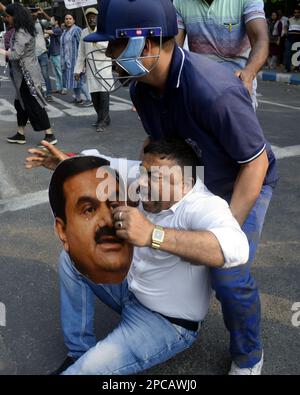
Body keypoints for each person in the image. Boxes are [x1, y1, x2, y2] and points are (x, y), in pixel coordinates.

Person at [84, 0, 278, 375]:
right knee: (162, 240)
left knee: (227, 271)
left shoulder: (214, 91)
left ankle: (249, 355)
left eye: (116, 43)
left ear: (150, 43)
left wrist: (222, 231)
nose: (108, 53)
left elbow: (256, 163)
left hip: (243, 179)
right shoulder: (142, 88)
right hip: (198, 177)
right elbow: (163, 149)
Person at [27, 139, 249, 375]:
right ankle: (79, 352)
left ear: (185, 182)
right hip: (129, 288)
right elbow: (106, 167)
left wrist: (153, 234)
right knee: (70, 260)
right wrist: (66, 163)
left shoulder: (203, 206)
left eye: (152, 176)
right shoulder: (150, 178)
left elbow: (236, 248)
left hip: (165, 321)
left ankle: (83, 365)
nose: (140, 183)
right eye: (142, 173)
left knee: (84, 372)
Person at [173, 0, 269, 110]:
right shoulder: (180, 2)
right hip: (199, 83)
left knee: (236, 124)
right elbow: (174, 49)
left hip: (237, 82)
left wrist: (249, 73)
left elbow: (260, 39)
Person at [0, 3, 57, 145]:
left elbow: (15, 55)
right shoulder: (21, 29)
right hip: (22, 74)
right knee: (20, 104)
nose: (6, 19)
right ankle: (20, 133)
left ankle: (50, 135)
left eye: (8, 16)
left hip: (27, 75)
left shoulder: (22, 31)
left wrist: (1, 51)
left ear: (15, 16)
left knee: (34, 104)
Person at [74, 7, 112, 131]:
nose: (91, 18)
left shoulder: (104, 30)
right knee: (95, 97)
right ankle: (102, 117)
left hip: (104, 67)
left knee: (104, 95)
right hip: (91, 68)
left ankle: (103, 121)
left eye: (94, 16)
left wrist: (97, 42)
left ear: (98, 17)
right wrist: (78, 70)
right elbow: (81, 52)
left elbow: (109, 48)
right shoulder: (84, 32)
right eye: (89, 16)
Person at [60, 13, 91, 105]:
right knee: (73, 81)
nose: (68, 20)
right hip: (68, 60)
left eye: (70, 18)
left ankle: (90, 99)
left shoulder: (77, 30)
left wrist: (83, 61)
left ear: (73, 20)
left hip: (77, 60)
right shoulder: (65, 31)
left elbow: (82, 45)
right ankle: (78, 98)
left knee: (80, 81)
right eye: (66, 19)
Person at [30, 7, 53, 102]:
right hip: (32, 54)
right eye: (32, 12)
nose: (34, 14)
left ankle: (49, 94)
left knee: (45, 74)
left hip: (42, 52)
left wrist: (43, 12)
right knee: (35, 75)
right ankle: (39, 92)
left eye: (35, 11)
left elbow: (51, 22)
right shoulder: (26, 23)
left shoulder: (41, 22)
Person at [44, 15, 66, 95]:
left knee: (60, 72)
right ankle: (58, 88)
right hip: (53, 54)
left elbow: (47, 32)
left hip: (57, 54)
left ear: (56, 21)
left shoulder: (58, 30)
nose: (50, 21)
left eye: (52, 20)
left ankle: (64, 88)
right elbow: (45, 35)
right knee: (55, 73)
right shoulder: (53, 30)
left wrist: (42, 29)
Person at [284, 7, 300, 72]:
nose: (296, 13)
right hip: (290, 38)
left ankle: (297, 68)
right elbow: (285, 27)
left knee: (298, 53)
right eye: (295, 12)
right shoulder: (289, 19)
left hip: (298, 38)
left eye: (298, 12)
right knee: (287, 52)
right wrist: (286, 33)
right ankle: (287, 68)